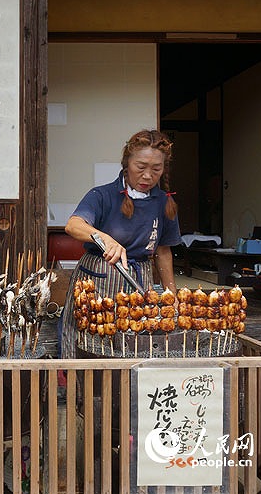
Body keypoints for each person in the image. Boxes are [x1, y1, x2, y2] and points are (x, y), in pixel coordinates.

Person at [60, 129, 182, 358]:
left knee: (134, 338)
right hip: (99, 276)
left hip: (139, 277)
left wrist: (170, 294)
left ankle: (126, 391)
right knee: (88, 336)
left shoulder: (165, 203)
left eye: (156, 169)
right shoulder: (103, 195)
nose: (148, 176)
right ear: (127, 164)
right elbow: (73, 225)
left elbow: (163, 252)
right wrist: (104, 238)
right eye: (141, 167)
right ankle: (79, 389)